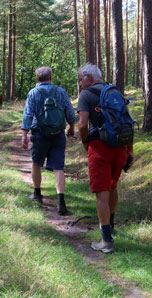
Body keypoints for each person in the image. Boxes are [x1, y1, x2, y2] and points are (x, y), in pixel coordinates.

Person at [77, 63, 134, 253]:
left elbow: (83, 123)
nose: (80, 83)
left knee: (102, 193)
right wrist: (129, 150)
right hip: (119, 147)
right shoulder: (114, 91)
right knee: (112, 187)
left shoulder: (86, 95)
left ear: (89, 78)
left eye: (81, 79)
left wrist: (85, 141)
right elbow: (127, 122)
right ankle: (111, 226)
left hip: (99, 147)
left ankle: (106, 241)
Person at [21, 66, 75, 215]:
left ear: (37, 79)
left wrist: (24, 134)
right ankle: (60, 201)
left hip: (39, 134)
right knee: (59, 167)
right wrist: (72, 127)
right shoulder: (60, 91)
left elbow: (28, 114)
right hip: (58, 134)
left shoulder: (33, 93)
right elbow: (69, 111)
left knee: (36, 163)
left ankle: (37, 195)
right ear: (50, 77)